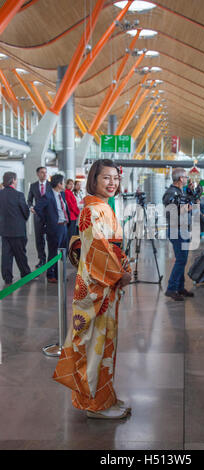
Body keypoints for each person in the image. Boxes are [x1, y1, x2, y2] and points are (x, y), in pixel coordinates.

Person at [53, 159, 132, 420]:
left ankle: (104, 397)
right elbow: (98, 249)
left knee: (104, 346)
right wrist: (121, 272)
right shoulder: (92, 211)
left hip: (105, 286)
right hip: (97, 288)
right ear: (94, 180)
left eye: (116, 178)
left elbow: (110, 248)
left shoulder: (102, 207)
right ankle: (95, 404)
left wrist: (121, 267)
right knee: (94, 347)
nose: (112, 183)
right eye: (106, 178)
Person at [162, 168, 195, 301]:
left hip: (183, 230)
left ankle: (180, 287)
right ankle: (171, 288)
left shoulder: (180, 192)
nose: (186, 180)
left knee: (182, 260)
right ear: (181, 179)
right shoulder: (170, 193)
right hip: (177, 230)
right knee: (181, 260)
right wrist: (186, 209)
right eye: (186, 177)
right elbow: (170, 212)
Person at [34, 174, 70, 283]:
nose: (64, 184)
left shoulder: (61, 195)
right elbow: (37, 208)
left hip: (63, 227)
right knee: (53, 252)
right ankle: (51, 275)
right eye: (63, 182)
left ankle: (60, 275)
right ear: (59, 184)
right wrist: (47, 220)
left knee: (63, 252)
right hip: (54, 228)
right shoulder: (48, 196)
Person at [0, 172, 31, 285]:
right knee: (20, 254)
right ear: (13, 180)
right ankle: (25, 274)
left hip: (4, 230)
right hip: (18, 231)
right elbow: (25, 211)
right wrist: (24, 219)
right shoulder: (19, 195)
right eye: (16, 180)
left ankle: (7, 278)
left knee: (6, 255)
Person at [27, 166, 52, 268]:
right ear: (38, 174)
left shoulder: (51, 185)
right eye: (42, 172)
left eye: (45, 172)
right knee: (39, 239)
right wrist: (31, 207)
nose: (44, 174)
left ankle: (51, 260)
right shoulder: (33, 186)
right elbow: (29, 200)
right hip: (38, 216)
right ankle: (42, 259)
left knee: (51, 238)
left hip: (50, 215)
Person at [65, 178, 80, 247]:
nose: (71, 186)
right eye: (70, 184)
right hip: (71, 215)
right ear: (66, 185)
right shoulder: (67, 192)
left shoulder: (70, 192)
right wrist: (77, 212)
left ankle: (70, 248)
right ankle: (69, 249)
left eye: (72, 184)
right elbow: (70, 205)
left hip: (74, 215)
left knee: (72, 234)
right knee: (70, 235)